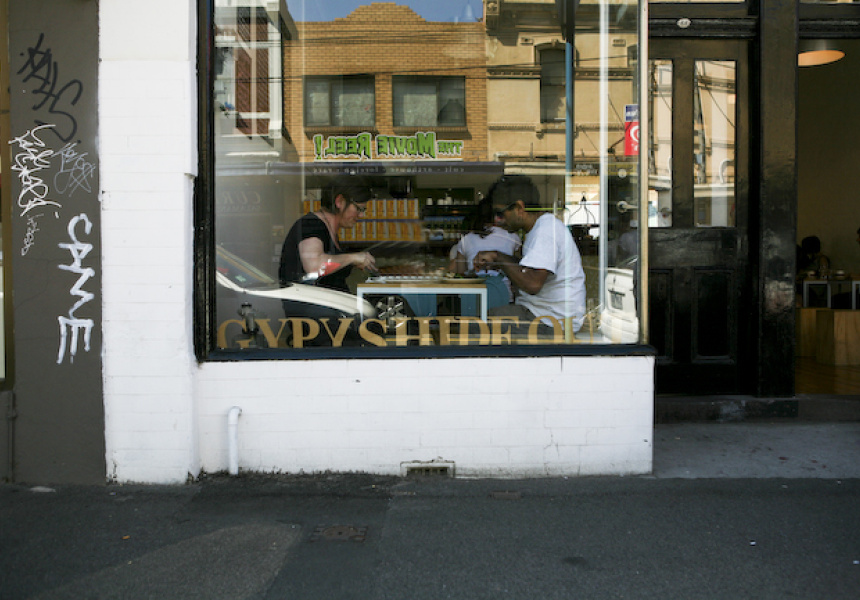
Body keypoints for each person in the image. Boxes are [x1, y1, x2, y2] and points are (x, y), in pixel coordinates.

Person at [473, 175, 586, 333]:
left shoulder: (545, 231)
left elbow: (533, 284)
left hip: (551, 321)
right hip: (544, 314)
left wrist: (499, 257)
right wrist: (500, 262)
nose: (497, 220)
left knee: (477, 326)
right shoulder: (539, 228)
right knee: (483, 320)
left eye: (500, 213)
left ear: (519, 208)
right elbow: (529, 270)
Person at [279, 174, 377, 293]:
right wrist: (352, 258)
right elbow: (314, 267)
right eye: (358, 209)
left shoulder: (329, 230)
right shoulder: (311, 225)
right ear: (340, 201)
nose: (361, 215)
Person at [448, 196, 522, 309]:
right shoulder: (512, 237)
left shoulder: (466, 239)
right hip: (504, 296)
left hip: (473, 298)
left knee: (473, 319)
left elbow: (459, 271)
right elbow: (519, 267)